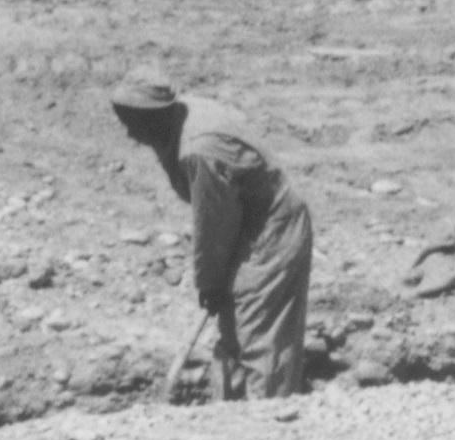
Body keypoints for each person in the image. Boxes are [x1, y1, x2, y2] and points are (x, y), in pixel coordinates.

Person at [109, 76, 316, 399]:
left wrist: (209, 282)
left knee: (261, 335)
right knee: (233, 333)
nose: (129, 134)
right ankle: (230, 421)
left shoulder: (199, 150)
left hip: (271, 231)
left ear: (155, 116)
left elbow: (214, 224)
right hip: (245, 222)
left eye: (133, 123)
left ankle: (270, 419)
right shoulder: (180, 117)